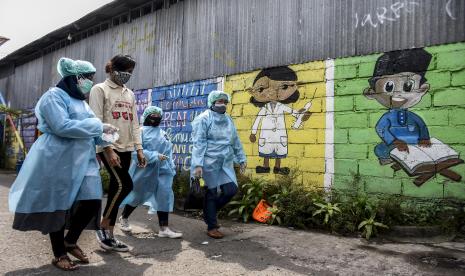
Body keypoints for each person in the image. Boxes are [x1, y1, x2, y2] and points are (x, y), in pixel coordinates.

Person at [9, 57, 110, 271]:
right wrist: (97, 126)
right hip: (58, 157)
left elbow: (93, 129)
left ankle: (70, 240)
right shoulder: (52, 97)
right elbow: (61, 126)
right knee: (58, 204)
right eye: (88, 78)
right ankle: (59, 253)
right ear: (75, 77)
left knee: (92, 200)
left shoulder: (81, 101)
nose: (90, 82)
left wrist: (106, 135)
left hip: (84, 158)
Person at [89, 54, 146, 252]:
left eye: (131, 72)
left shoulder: (129, 93)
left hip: (127, 147)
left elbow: (135, 123)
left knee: (116, 187)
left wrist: (139, 148)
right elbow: (97, 122)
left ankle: (109, 234)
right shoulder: (99, 90)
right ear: (113, 70)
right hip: (109, 147)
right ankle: (103, 226)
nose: (128, 75)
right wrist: (107, 148)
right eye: (125, 71)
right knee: (125, 184)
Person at [119, 106, 182, 238]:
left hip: (163, 170)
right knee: (137, 195)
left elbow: (168, 151)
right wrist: (154, 156)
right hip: (144, 170)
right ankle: (124, 217)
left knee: (164, 195)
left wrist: (171, 166)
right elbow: (135, 151)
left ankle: (164, 228)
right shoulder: (140, 132)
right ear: (146, 117)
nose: (155, 117)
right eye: (152, 114)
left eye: (158, 115)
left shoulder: (162, 133)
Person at [191, 90, 247, 239]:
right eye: (219, 101)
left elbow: (235, 140)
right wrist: (197, 164)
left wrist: (241, 158)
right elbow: (199, 142)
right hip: (208, 162)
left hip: (225, 162)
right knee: (211, 193)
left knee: (231, 190)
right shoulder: (203, 119)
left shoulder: (228, 120)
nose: (222, 104)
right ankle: (212, 226)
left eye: (224, 101)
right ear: (212, 102)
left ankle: (209, 213)